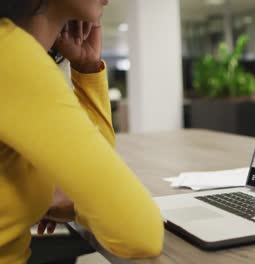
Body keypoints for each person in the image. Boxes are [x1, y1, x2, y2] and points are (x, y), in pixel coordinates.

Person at [0, 1, 164, 263]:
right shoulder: (10, 54)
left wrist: (87, 68)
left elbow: (96, 176)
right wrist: (78, 205)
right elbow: (140, 234)